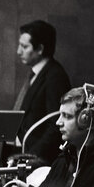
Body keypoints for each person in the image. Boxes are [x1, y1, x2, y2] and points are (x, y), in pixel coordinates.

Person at [14, 20, 71, 164]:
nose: (18, 51)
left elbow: (56, 125)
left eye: (24, 46)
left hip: (39, 160)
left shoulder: (55, 76)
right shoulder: (36, 73)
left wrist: (30, 157)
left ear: (40, 49)